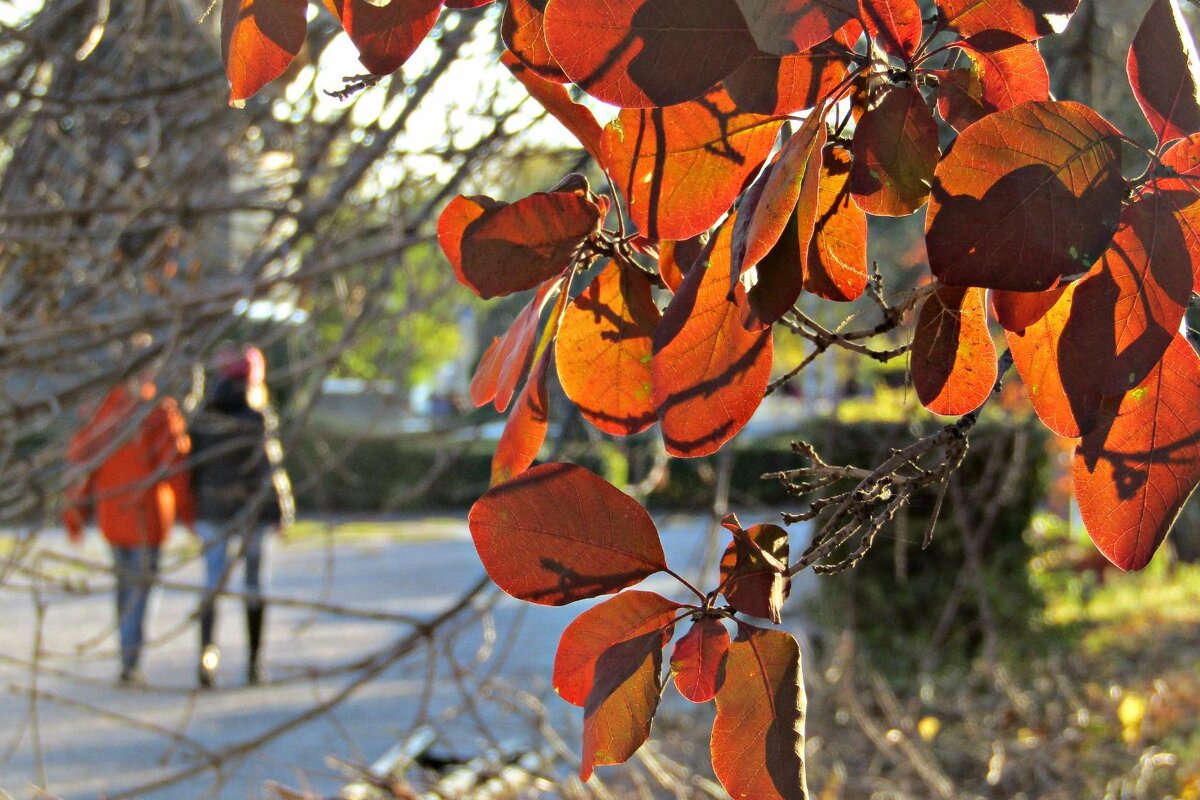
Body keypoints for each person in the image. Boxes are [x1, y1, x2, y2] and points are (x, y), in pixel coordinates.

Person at [63, 379, 196, 685]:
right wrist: (189, 516)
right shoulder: (158, 411)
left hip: (113, 514)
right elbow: (174, 464)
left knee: (125, 588)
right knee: (139, 590)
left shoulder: (103, 411)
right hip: (146, 517)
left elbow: (80, 464)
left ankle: (127, 654)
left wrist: (75, 517)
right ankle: (130, 659)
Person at [189, 345, 292, 688]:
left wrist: (192, 507)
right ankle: (253, 663)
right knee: (253, 585)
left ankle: (207, 659)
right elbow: (270, 467)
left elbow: (193, 466)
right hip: (252, 512)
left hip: (213, 509)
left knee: (212, 584)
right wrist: (282, 510)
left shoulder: (204, 414)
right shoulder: (256, 414)